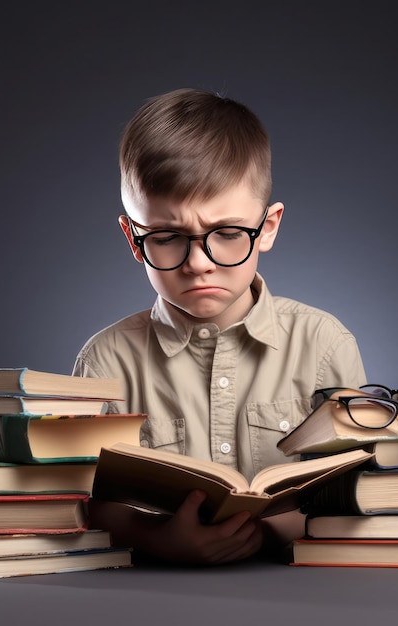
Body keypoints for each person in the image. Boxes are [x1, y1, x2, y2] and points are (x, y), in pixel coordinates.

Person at [73, 87, 367, 565]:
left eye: (227, 234)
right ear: (133, 236)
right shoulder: (105, 361)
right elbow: (88, 499)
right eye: (167, 237)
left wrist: (278, 527)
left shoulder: (325, 343)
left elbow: (353, 482)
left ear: (267, 227)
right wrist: (157, 538)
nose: (198, 264)